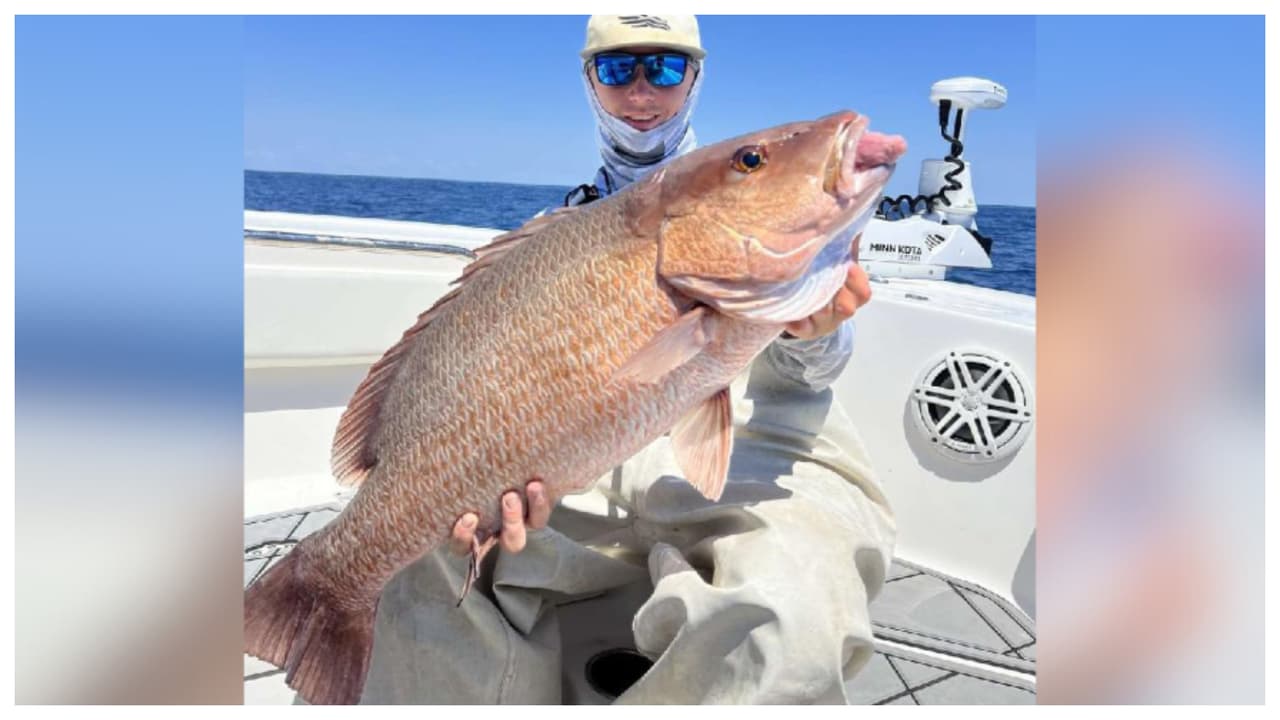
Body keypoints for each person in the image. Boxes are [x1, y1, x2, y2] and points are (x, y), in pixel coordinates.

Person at [357, 15, 895, 704]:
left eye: (666, 68)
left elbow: (807, 381)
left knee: (787, 614)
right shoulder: (557, 238)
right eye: (617, 70)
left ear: (696, 77)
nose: (642, 91)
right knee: (431, 571)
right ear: (590, 81)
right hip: (587, 469)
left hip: (745, 458)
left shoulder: (794, 225)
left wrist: (811, 332)